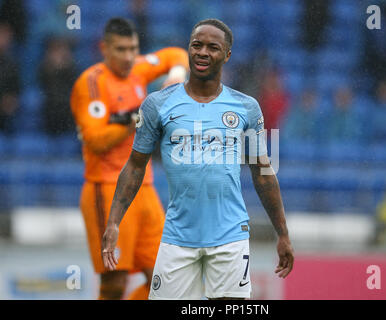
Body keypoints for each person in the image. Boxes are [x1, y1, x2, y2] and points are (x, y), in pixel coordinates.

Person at [102, 18, 294, 300]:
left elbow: (263, 172)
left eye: (213, 47)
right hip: (178, 237)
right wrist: (114, 222)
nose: (203, 52)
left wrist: (283, 233)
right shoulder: (157, 104)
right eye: (197, 45)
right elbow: (134, 165)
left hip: (230, 237)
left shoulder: (247, 108)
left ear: (227, 55)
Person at [70, 18, 188, 300]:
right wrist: (135, 118)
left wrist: (177, 74)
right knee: (114, 283)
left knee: (171, 276)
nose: (128, 57)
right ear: (104, 48)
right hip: (107, 188)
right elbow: (95, 140)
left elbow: (175, 54)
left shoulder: (138, 68)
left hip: (144, 188)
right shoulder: (91, 84)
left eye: (132, 49)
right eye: (121, 49)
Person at [38, 37, 78, 135]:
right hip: (50, 114)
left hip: (69, 115)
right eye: (56, 51)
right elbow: (47, 87)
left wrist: (65, 68)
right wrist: (54, 69)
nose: (60, 54)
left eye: (63, 50)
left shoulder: (73, 70)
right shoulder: (44, 69)